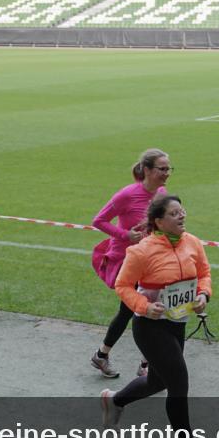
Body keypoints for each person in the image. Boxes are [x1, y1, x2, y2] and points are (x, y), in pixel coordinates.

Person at [101, 194, 218, 438]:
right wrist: (143, 306)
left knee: (158, 381)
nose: (182, 216)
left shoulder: (193, 243)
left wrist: (203, 295)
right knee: (178, 380)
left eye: (182, 211)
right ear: (158, 221)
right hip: (150, 326)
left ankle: (115, 400)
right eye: (174, 213)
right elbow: (123, 285)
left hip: (178, 322)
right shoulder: (141, 250)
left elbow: (204, 274)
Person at [90, 149, 172, 378]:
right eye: (162, 169)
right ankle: (145, 365)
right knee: (139, 310)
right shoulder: (127, 195)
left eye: (168, 169)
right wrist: (126, 235)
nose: (167, 174)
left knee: (135, 311)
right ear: (147, 170)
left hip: (149, 260)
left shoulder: (161, 193)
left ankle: (103, 356)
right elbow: (98, 221)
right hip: (126, 261)